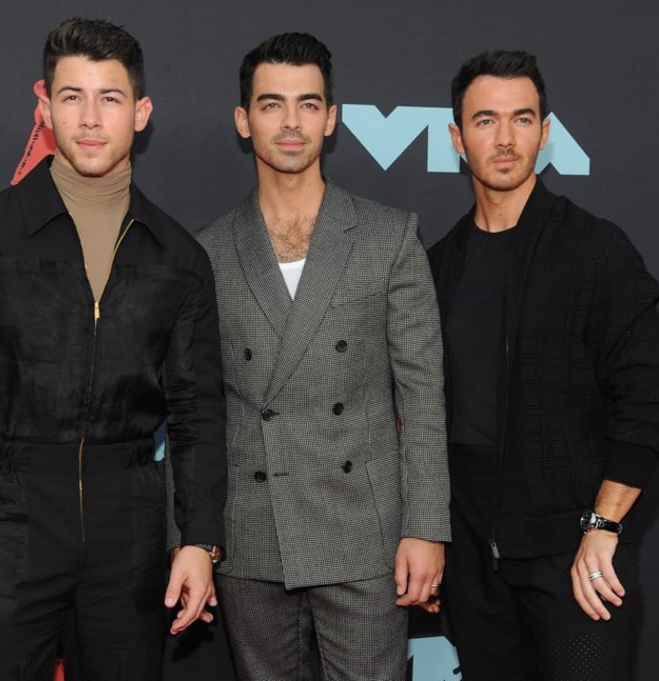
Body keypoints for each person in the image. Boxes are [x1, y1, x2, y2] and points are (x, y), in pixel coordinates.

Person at [0, 17, 226, 681]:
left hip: (129, 527)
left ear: (142, 112)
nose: (92, 118)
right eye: (73, 97)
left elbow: (199, 413)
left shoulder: (181, 258)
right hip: (5, 520)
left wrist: (199, 540)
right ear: (44, 106)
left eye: (111, 97)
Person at [427, 50, 659, 681]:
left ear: (545, 134)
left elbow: (651, 396)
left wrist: (602, 526)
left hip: (573, 565)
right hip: (473, 575)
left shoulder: (596, 250)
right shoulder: (436, 267)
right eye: (486, 121)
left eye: (523, 119)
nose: (506, 138)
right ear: (457, 139)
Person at [197, 33, 449, 681]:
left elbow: (421, 396)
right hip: (252, 534)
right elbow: (194, 410)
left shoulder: (389, 237)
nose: (290, 122)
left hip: (364, 532)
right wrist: (193, 539)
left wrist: (425, 528)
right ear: (243, 119)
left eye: (308, 105)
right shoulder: (208, 253)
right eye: (272, 104)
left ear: (331, 119)